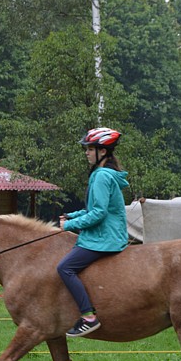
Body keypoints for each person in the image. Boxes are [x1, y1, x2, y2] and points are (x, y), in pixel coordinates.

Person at [58, 127, 130, 337]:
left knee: (65, 268)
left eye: (90, 149)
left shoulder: (101, 176)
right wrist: (71, 216)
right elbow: (93, 209)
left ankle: (88, 317)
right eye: (87, 149)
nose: (86, 153)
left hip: (104, 237)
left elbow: (98, 213)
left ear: (103, 152)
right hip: (109, 233)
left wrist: (68, 227)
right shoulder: (105, 174)